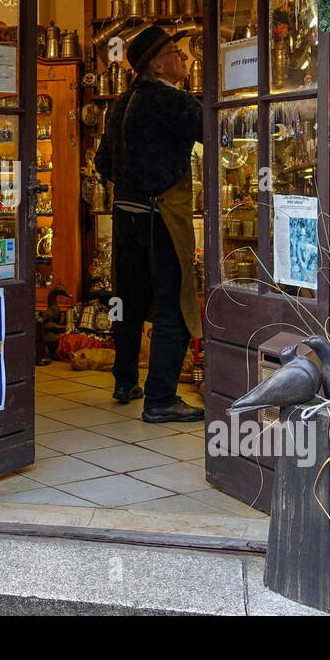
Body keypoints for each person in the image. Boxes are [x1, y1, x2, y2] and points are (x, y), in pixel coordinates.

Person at [94, 25, 204, 423]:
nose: (186, 58)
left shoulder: (119, 103)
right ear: (158, 63)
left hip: (126, 217)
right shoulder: (174, 101)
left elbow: (102, 163)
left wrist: (133, 183)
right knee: (173, 306)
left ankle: (125, 381)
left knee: (129, 302)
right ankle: (160, 398)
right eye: (178, 51)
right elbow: (220, 135)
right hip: (161, 217)